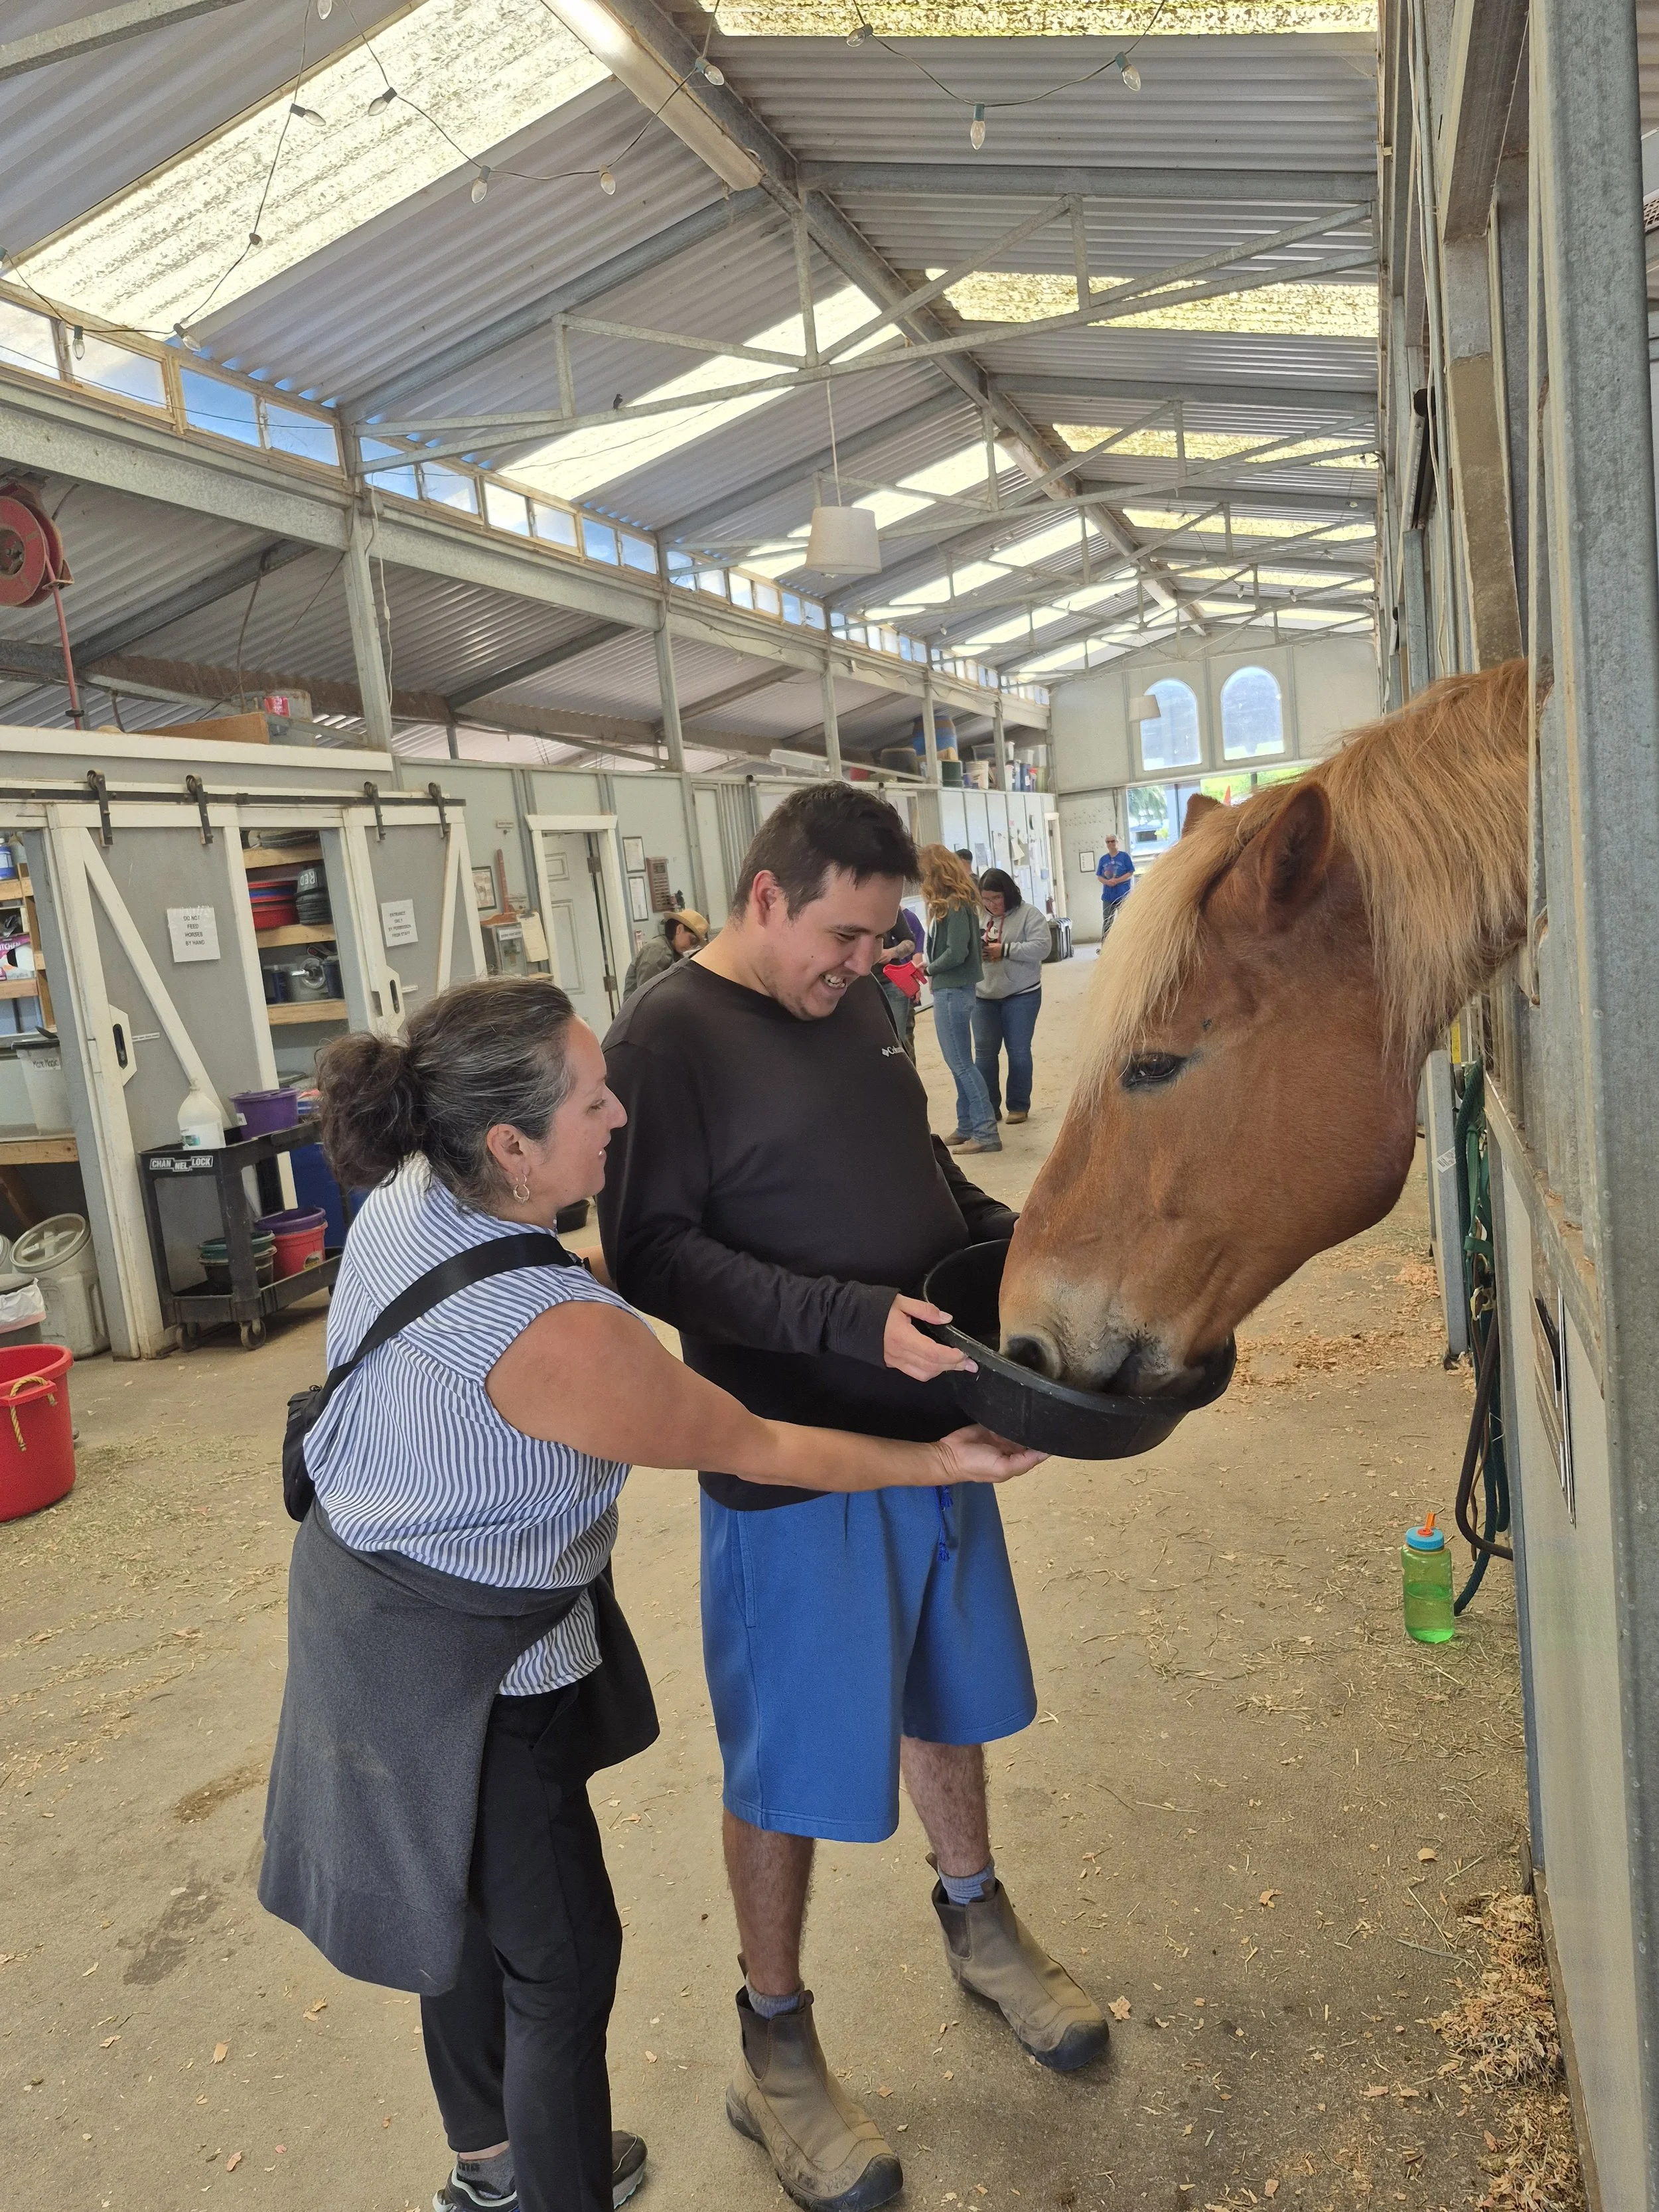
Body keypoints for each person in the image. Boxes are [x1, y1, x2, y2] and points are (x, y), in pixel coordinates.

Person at [257, 976, 1039, 2212]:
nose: (620, 1110)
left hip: (362, 1606)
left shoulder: (420, 1187)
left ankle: (492, 2165)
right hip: (471, 1662)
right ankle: (554, 2187)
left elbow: (585, 1266)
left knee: (445, 1904)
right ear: (511, 1145)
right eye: (590, 1098)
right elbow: (761, 1445)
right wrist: (943, 1458)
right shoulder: (556, 1330)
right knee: (564, 1963)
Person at [599, 788, 1110, 2212]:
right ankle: (772, 2039)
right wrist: (836, 1318)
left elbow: (915, 1162)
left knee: (942, 1695)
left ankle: (976, 1917)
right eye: (841, 934)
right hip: (791, 1460)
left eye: (882, 939)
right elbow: (646, 1253)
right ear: (764, 897)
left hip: (937, 1430)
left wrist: (1017, 1243)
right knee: (792, 1764)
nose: (862, 965)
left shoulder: (856, 1000)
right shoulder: (667, 1034)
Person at [920, 844, 1000, 1155]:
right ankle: (967, 1125)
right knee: (960, 1064)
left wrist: (930, 968)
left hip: (952, 990)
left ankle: (985, 1132)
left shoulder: (954, 905)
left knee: (962, 1064)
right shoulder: (956, 903)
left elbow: (957, 952)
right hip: (954, 989)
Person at [972, 867, 1049, 1127]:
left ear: (1008, 894)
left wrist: (1004, 950)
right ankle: (989, 1108)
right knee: (984, 1054)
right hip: (983, 995)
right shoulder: (977, 915)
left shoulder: (1029, 914)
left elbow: (1042, 947)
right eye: (986, 899)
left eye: (996, 898)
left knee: (1018, 1051)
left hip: (1021, 994)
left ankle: (1018, 1105)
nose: (992, 904)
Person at [621, 907, 707, 1001]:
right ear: (679, 929)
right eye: (693, 940)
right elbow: (647, 993)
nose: (691, 946)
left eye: (695, 944)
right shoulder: (657, 949)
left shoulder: (674, 953)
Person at [877, 909, 921, 1057]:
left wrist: (892, 953)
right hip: (861, 986)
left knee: (896, 1045)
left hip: (891, 984)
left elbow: (910, 942)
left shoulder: (890, 908)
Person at [1096, 835, 1134, 933]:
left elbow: (1130, 872)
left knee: (1125, 921)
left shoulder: (1124, 857)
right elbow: (1099, 876)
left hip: (1123, 894)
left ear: (1117, 842)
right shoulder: (1103, 859)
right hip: (1108, 896)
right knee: (1107, 922)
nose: (1110, 844)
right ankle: (1106, 945)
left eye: (1113, 841)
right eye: (1108, 842)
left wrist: (1118, 880)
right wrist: (1107, 882)